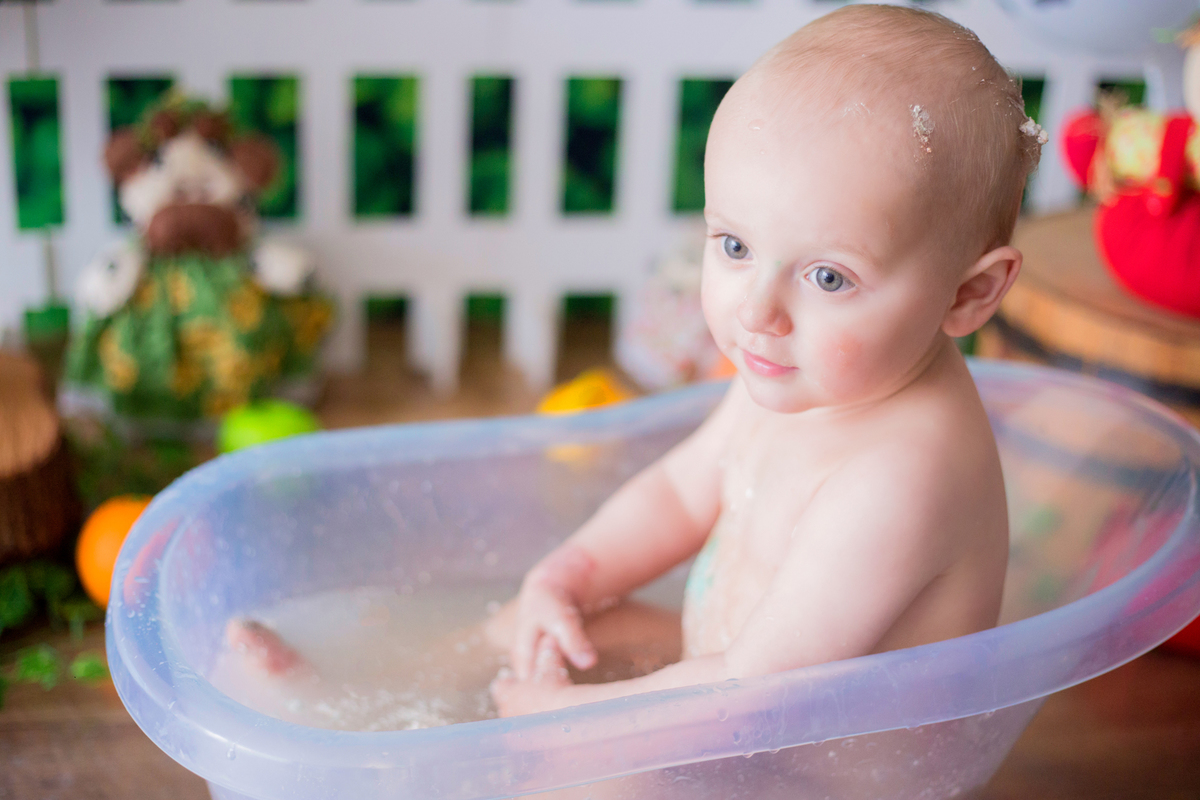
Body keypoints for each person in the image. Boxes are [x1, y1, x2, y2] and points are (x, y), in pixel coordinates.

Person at [487, 3, 1043, 716]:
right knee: (531, 627)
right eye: (736, 247)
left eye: (829, 277)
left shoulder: (906, 476)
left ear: (968, 294)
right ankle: (373, 698)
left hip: (806, 755)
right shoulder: (799, 369)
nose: (756, 311)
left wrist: (563, 725)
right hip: (722, 681)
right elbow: (679, 493)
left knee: (572, 757)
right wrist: (566, 576)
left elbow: (755, 693)